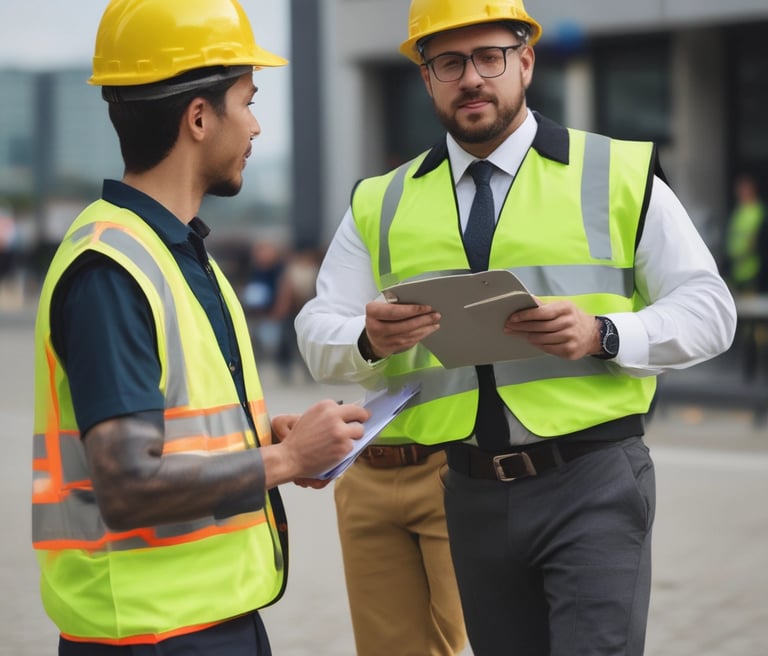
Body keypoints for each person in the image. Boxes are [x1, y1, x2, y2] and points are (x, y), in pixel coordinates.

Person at [294, 0, 737, 655]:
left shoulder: (613, 172)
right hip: (470, 493)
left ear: (525, 62)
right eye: (449, 61)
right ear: (426, 77)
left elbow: (710, 310)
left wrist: (604, 334)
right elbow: (317, 327)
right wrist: (368, 339)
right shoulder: (380, 201)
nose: (471, 77)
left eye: (489, 56)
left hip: (591, 477)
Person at [30, 1, 369, 654]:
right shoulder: (113, 270)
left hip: (207, 620)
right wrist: (286, 460)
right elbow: (128, 485)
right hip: (151, 633)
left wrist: (262, 438)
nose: (257, 125)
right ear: (198, 117)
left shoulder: (175, 253)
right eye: (248, 101)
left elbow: (174, 424)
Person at [724, 173, 766, 294]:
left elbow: (757, 239)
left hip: (751, 269)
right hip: (736, 269)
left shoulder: (757, 211)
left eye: (743, 188)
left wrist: (744, 254)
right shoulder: (738, 210)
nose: (739, 191)